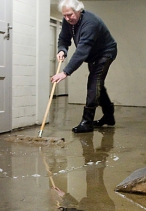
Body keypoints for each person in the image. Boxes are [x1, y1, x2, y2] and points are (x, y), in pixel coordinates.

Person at [51, 0, 118, 133]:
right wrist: (62, 50)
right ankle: (109, 116)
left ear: (79, 10)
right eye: (64, 15)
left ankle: (87, 122)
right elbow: (64, 38)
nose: (67, 18)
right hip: (92, 55)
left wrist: (65, 72)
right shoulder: (67, 21)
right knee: (97, 84)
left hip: (105, 53)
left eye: (70, 15)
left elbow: (82, 51)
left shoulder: (91, 22)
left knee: (93, 83)